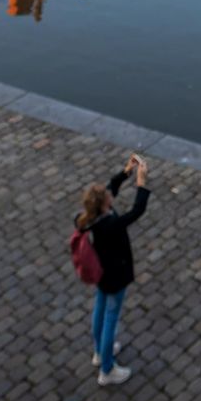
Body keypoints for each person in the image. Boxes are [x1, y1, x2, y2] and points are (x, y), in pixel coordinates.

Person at [76, 152, 151, 387]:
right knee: (111, 317)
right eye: (108, 195)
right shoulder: (109, 224)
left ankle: (99, 352)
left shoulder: (91, 218)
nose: (111, 194)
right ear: (105, 204)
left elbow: (113, 185)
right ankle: (107, 370)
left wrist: (127, 170)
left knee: (100, 308)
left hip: (102, 274)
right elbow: (137, 211)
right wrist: (141, 182)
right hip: (114, 275)